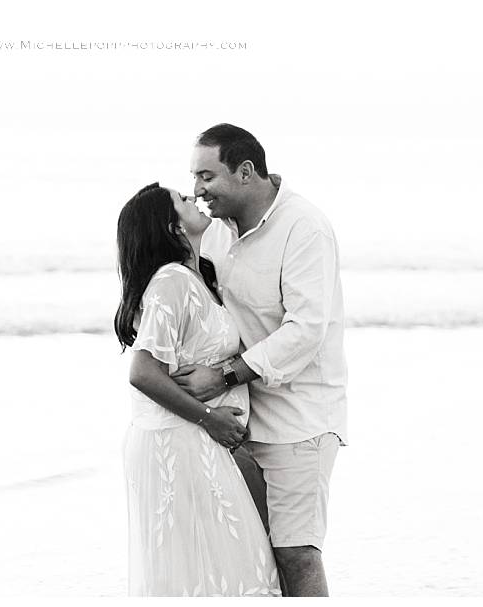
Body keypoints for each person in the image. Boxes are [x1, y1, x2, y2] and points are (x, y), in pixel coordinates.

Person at [173, 124, 348, 597]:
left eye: (206, 176)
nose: (197, 190)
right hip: (235, 419)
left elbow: (305, 330)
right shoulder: (213, 236)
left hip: (299, 420)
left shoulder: (303, 226)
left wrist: (222, 376)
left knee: (295, 552)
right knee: (246, 552)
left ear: (245, 171)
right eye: (194, 178)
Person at [115, 183, 281, 597]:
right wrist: (211, 419)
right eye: (183, 200)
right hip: (184, 443)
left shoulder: (199, 275)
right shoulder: (171, 281)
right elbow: (142, 371)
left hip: (200, 441)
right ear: (170, 226)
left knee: (223, 570)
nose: (195, 199)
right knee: (225, 571)